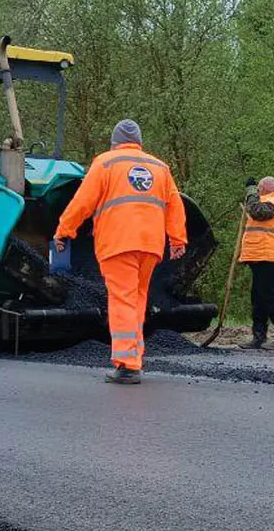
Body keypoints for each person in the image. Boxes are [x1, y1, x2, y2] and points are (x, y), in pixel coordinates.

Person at [53, 119, 187, 384]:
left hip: (118, 243)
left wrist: (64, 231)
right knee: (137, 300)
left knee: (122, 300)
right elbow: (175, 205)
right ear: (139, 143)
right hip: (150, 245)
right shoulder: (159, 167)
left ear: (114, 142)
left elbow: (82, 202)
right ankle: (134, 356)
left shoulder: (106, 163)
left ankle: (127, 364)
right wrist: (177, 240)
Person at [239, 177, 274, 350]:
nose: (258, 191)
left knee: (273, 297)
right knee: (258, 298)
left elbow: (257, 212)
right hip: (262, 255)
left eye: (259, 189)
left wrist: (250, 192)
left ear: (264, 188)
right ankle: (258, 336)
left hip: (273, 256)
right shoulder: (268, 201)